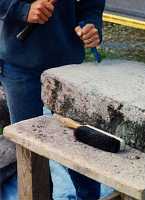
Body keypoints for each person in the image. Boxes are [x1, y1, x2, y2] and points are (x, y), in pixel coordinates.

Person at [0, 0, 105, 199]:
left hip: (68, 65)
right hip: (19, 63)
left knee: (81, 145)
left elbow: (92, 4)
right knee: (30, 151)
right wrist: (23, 10)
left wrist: (91, 25)